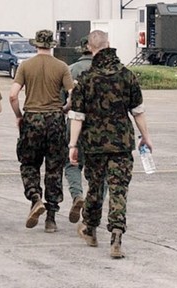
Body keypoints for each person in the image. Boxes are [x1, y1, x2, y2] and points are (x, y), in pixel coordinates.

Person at [69, 30, 154, 258]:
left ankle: (90, 229)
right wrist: (146, 136)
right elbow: (138, 111)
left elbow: (77, 116)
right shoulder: (127, 75)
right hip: (122, 143)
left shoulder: (86, 79)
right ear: (109, 45)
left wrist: (72, 145)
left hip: (94, 144)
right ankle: (116, 234)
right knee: (118, 189)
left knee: (95, 188)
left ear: (90, 47)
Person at [8, 29, 74, 233]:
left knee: (29, 164)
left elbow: (12, 95)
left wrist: (19, 116)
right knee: (54, 169)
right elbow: (73, 94)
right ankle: (51, 219)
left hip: (32, 119)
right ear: (52, 45)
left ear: (35, 44)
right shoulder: (61, 66)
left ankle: (35, 197)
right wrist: (65, 108)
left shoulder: (26, 66)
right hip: (55, 119)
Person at [64, 37, 93, 223]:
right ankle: (92, 205)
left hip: (75, 122)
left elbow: (64, 101)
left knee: (72, 163)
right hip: (100, 128)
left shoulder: (72, 70)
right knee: (100, 171)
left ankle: (77, 195)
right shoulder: (110, 70)